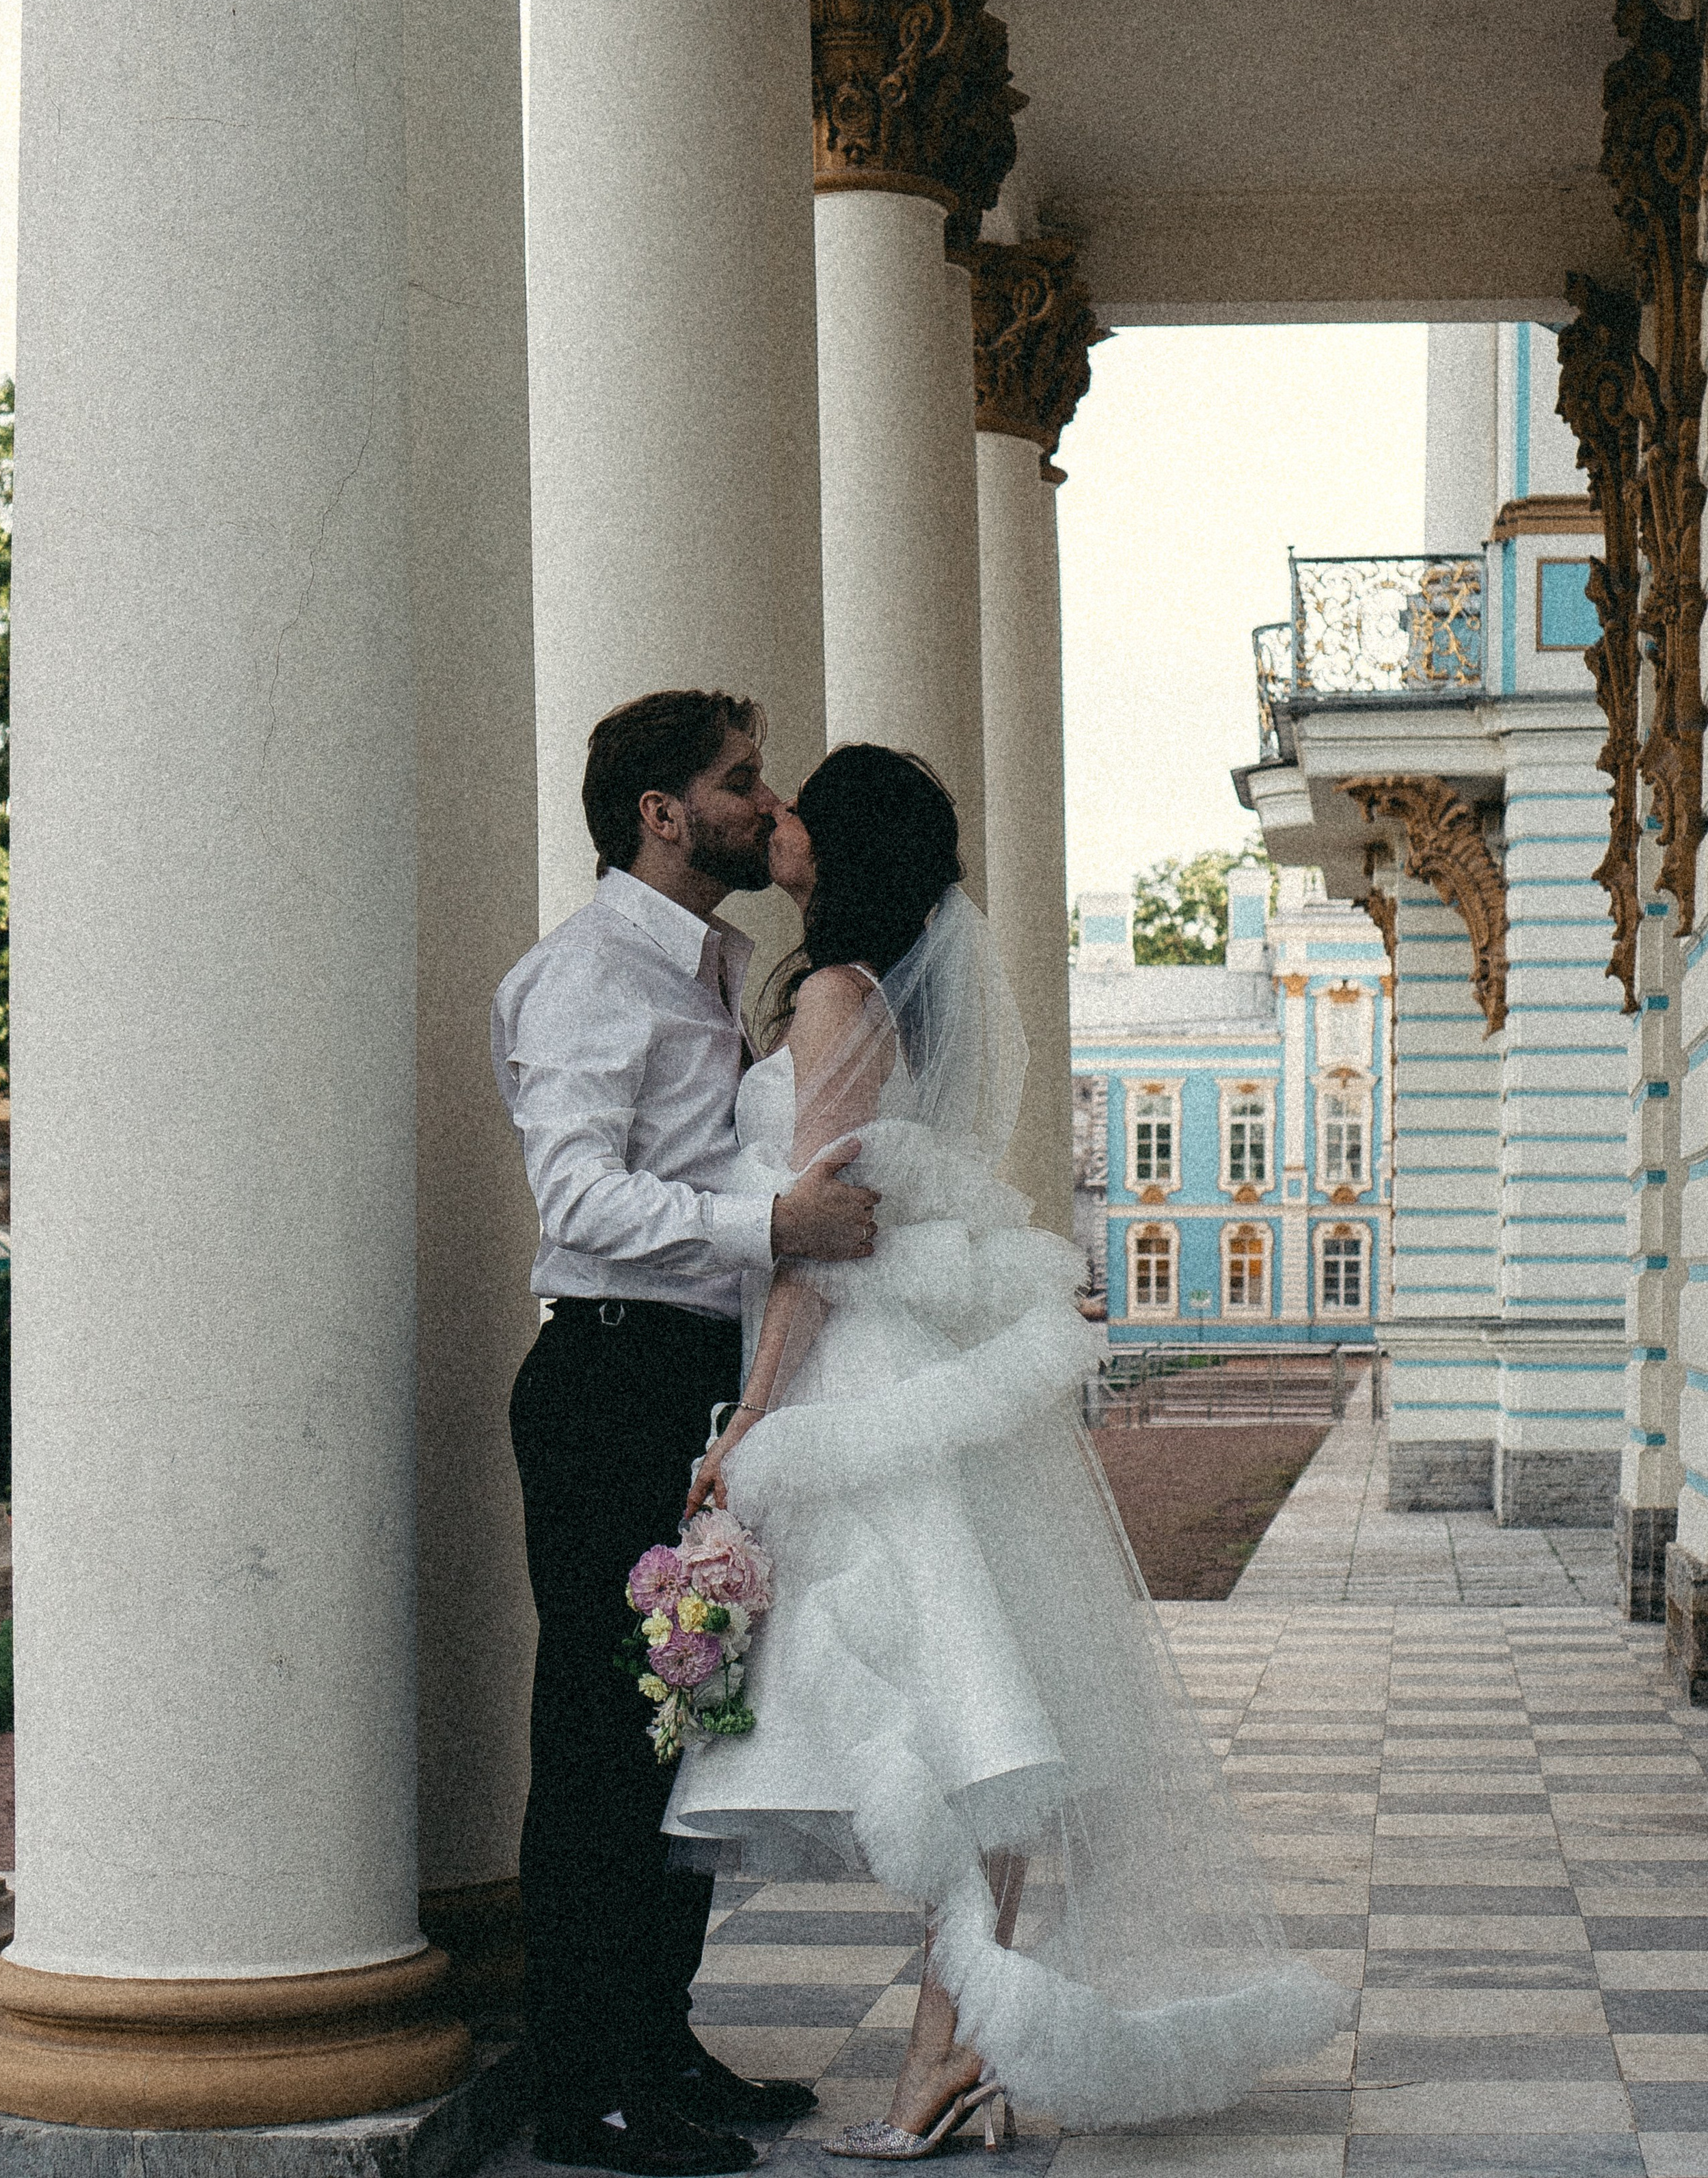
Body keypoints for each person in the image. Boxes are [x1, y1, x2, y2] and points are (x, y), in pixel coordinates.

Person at [666, 744, 1349, 2154]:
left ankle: (950, 2050)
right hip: (901, 1370)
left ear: (837, 847)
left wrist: (755, 1419)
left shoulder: (838, 995)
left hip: (861, 1380)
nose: (774, 818)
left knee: (968, 1720)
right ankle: (957, 2045)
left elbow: (823, 1234)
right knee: (976, 1719)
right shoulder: (863, 994)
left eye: (796, 808)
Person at [493, 690, 880, 2178]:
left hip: (688, 1383)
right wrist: (772, 1223)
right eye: (738, 781)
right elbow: (577, 1199)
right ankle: (583, 2089)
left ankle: (654, 2043)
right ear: (659, 814)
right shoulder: (588, 975)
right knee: (603, 1742)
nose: (764, 803)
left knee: (681, 1722)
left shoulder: (702, 966)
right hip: (608, 1381)